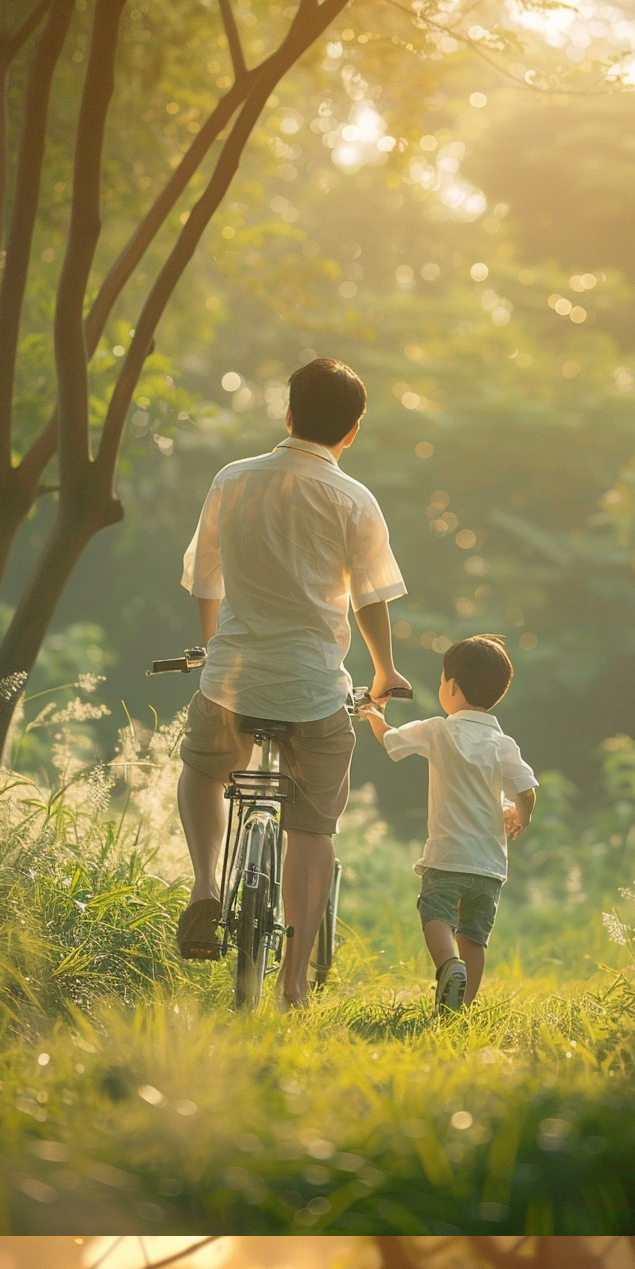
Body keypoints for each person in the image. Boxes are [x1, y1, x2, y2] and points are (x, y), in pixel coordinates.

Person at [177, 355, 411, 1003]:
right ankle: (294, 981)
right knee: (312, 827)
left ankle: (204, 887)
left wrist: (212, 646)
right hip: (313, 691)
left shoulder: (232, 479)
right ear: (352, 431)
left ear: (287, 414)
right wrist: (386, 670)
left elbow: (206, 579)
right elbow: (370, 598)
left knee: (202, 767)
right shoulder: (354, 499)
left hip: (231, 680)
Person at [356, 634, 537, 1013]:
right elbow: (526, 788)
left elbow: (391, 742)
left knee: (436, 913)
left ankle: (447, 965)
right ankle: (460, 1008)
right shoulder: (502, 743)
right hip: (488, 865)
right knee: (474, 936)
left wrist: (374, 716)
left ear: (451, 687)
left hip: (446, 857)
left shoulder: (438, 730)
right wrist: (520, 815)